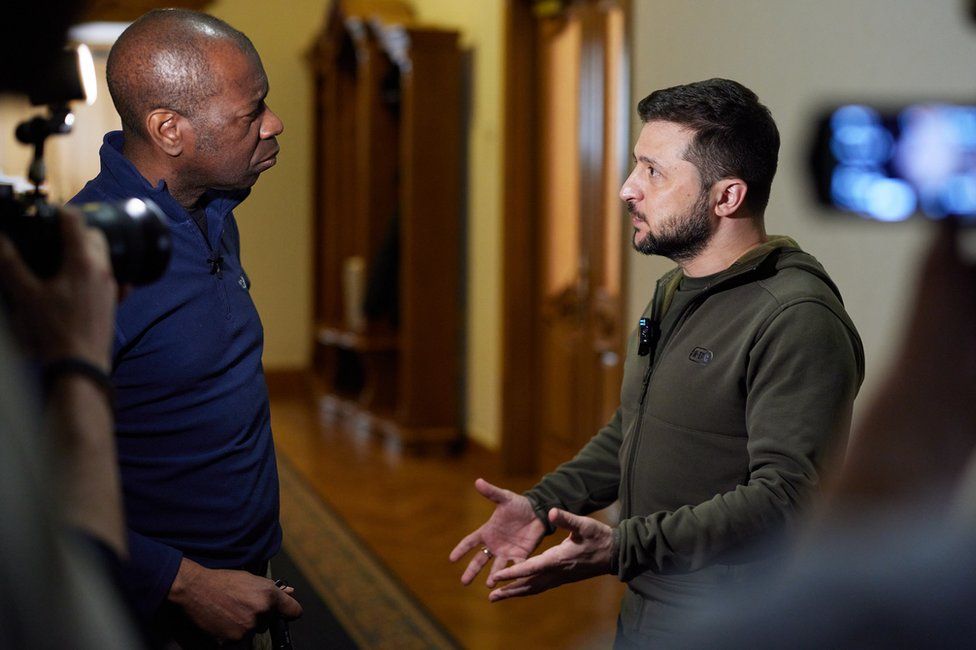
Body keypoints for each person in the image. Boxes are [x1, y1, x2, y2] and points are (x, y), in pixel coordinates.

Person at [450, 78, 865, 646]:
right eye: (636, 165)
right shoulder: (673, 290)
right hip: (649, 600)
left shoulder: (796, 318)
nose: (627, 188)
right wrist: (542, 505)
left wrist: (624, 545)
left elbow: (787, 499)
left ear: (726, 197)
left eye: (653, 171)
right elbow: (635, 427)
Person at [69, 9, 301, 648]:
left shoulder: (213, 210)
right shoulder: (83, 258)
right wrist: (182, 583)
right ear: (169, 129)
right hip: (157, 611)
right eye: (251, 113)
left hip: (249, 582)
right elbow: (30, 486)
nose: (274, 123)